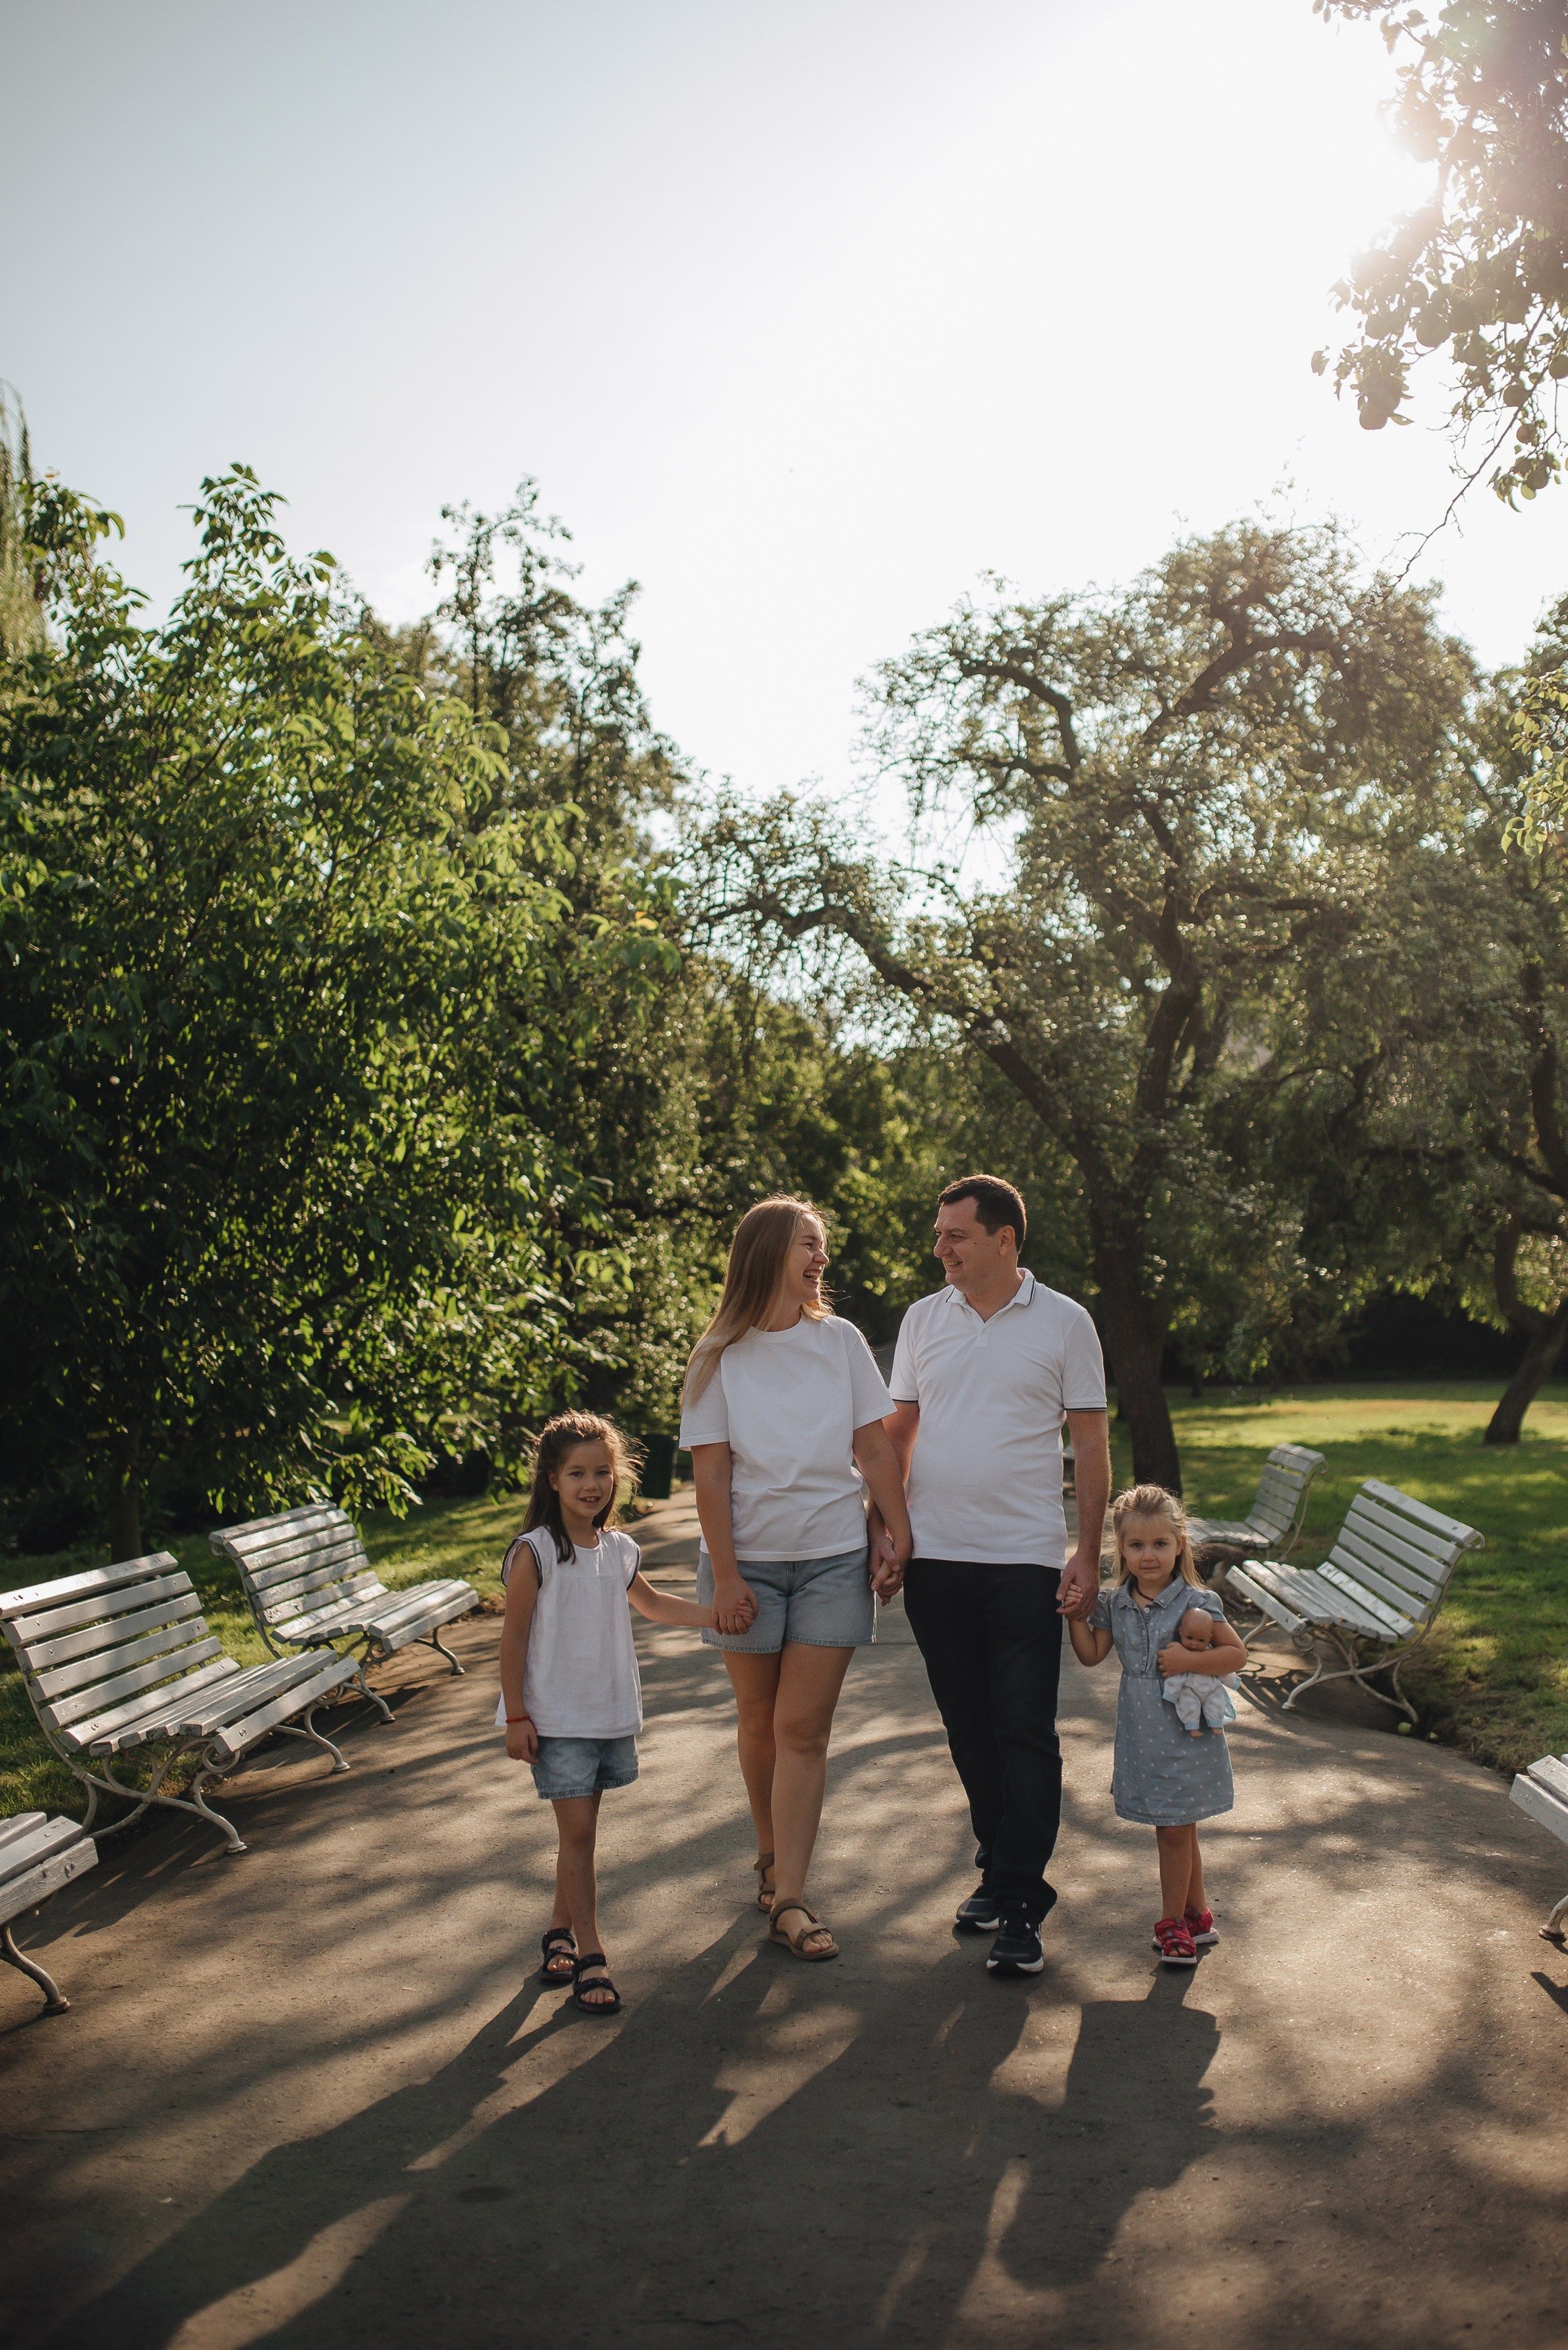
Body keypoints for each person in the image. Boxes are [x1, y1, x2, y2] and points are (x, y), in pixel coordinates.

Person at [872, 1174, 1112, 1979]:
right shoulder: (920, 1320)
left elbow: (1090, 1447)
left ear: (1003, 1239)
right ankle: (999, 1859)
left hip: (1023, 1560)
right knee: (968, 1729)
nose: (938, 1247)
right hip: (936, 1558)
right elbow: (898, 1434)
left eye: (954, 1235)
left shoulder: (1066, 1322)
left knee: (1023, 1730)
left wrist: (1086, 1552)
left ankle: (1016, 1901)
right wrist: (888, 1529)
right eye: (939, 1234)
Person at [679, 1195, 914, 1963]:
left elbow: (873, 1449)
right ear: (768, 1250)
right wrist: (725, 1577)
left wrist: (897, 1529)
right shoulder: (717, 1352)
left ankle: (792, 1898)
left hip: (830, 1557)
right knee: (757, 1723)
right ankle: (770, 1854)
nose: (820, 1259)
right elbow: (709, 1478)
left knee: (802, 1729)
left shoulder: (840, 1341)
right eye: (808, 1245)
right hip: (744, 1563)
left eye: (823, 1246)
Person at [497, 1409, 729, 2016]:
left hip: (605, 1714)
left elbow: (653, 1606)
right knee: (576, 1833)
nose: (591, 1484)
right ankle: (592, 1954)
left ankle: (558, 1932)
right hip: (553, 1718)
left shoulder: (619, 1549)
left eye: (602, 1472)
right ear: (552, 1480)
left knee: (581, 1835)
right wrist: (516, 1715)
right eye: (576, 1473)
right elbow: (514, 1637)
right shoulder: (536, 1551)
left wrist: (716, 1613)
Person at [1067, 1483, 1246, 1966]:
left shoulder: (1197, 1603)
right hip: (1142, 1731)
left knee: (1172, 1828)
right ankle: (1197, 1916)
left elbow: (1236, 1654)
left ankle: (1172, 1928)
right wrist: (1075, 1614)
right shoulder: (1115, 1603)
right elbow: (1090, 1656)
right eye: (1137, 1545)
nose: (1148, 1556)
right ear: (1121, 1549)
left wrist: (1189, 1661)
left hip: (1186, 1730)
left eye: (1160, 1544)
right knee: (1178, 1828)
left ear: (1180, 1544)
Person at [1161, 1607, 1241, 1738]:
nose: (1194, 1644)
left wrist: (1233, 1682)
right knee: (1188, 1705)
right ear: (1181, 1632)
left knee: (1216, 1703)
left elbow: (1221, 1668)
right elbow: (1177, 1677)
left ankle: (1215, 1724)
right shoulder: (1179, 1653)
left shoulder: (1211, 1654)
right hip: (1190, 1688)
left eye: (1201, 1641)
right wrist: (1171, 1693)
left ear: (1209, 1639)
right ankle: (1192, 1726)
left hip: (1211, 1688)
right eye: (1190, 1638)